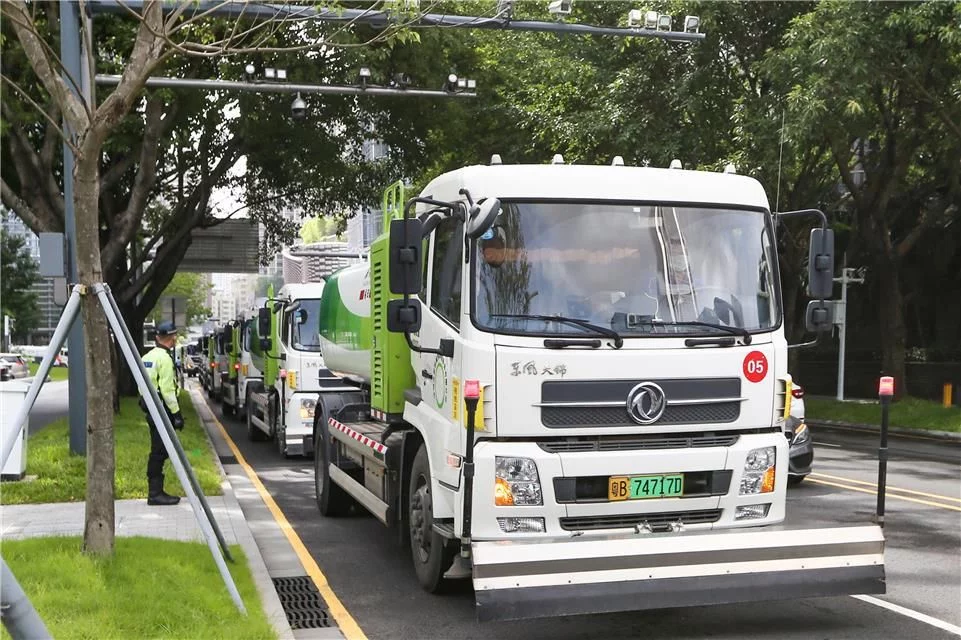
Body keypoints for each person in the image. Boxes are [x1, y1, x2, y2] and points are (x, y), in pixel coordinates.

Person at [141, 320, 185, 506]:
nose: (175, 339)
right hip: (161, 407)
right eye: (174, 336)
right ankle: (155, 494)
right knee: (160, 450)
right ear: (172, 337)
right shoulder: (165, 359)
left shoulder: (147, 357)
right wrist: (176, 414)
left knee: (158, 448)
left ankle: (156, 491)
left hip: (149, 405)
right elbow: (167, 390)